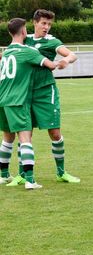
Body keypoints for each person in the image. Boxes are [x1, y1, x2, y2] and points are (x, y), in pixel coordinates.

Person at [7, 9, 80, 187]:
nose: (46, 27)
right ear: (35, 23)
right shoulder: (26, 39)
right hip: (26, 92)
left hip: (46, 92)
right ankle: (23, 174)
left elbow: (71, 54)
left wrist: (65, 61)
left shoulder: (51, 41)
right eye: (43, 23)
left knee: (54, 133)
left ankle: (61, 172)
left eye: (49, 24)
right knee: (25, 132)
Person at [0, 18, 59, 189]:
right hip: (18, 100)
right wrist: (60, 63)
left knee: (7, 138)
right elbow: (50, 65)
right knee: (25, 138)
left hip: (3, 100)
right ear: (24, 31)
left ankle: (3, 175)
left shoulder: (6, 52)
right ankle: (30, 180)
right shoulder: (27, 51)